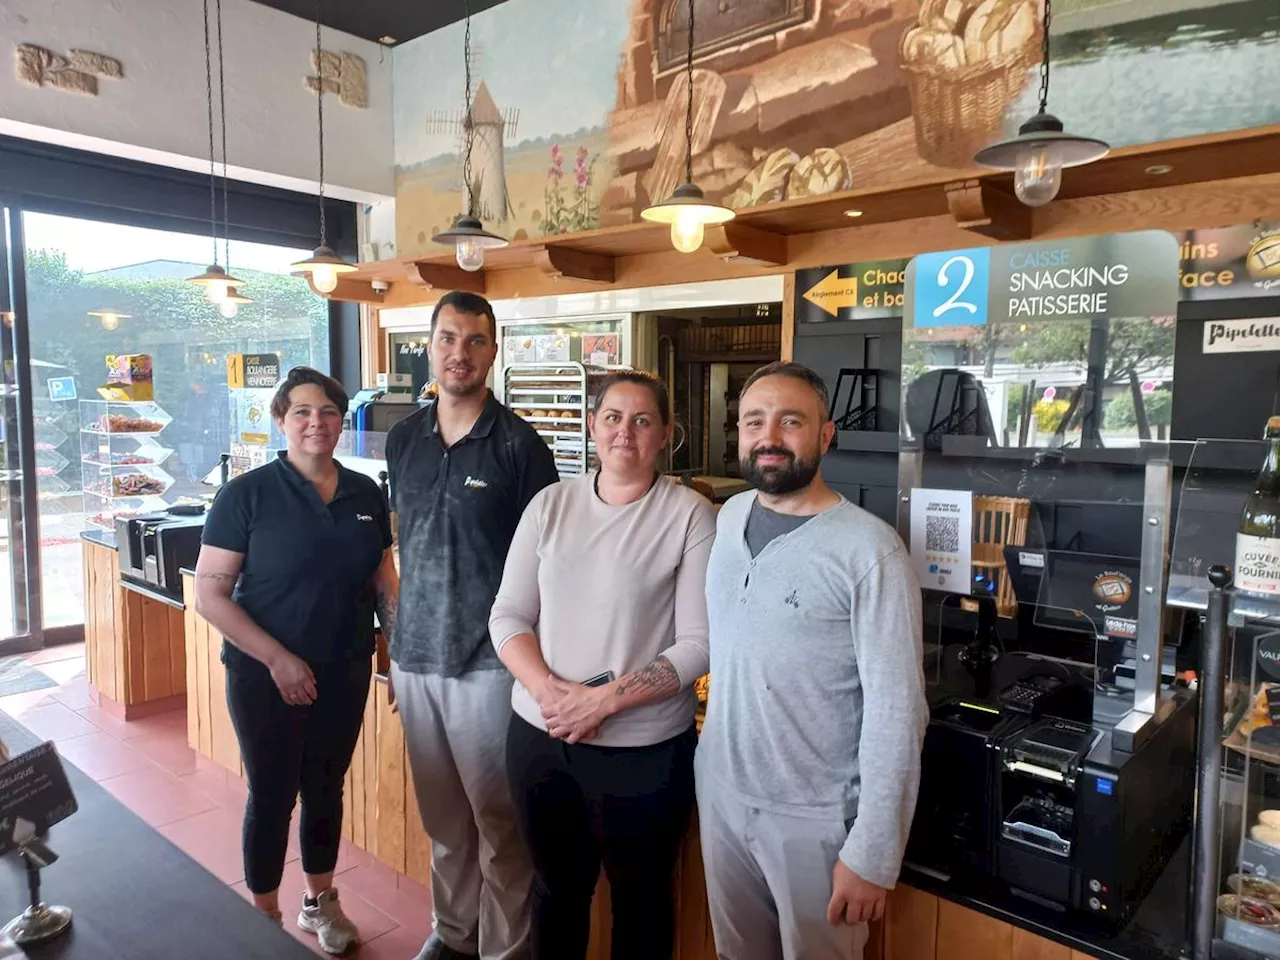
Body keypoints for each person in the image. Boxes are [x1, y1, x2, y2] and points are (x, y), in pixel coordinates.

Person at [696, 361, 928, 960]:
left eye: (790, 421)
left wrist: (874, 850)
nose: (769, 437)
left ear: (824, 436)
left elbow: (898, 710)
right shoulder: (728, 518)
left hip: (816, 820)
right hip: (722, 794)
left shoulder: (870, 550)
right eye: (755, 421)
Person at [490, 370, 716, 960]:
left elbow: (698, 643)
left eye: (643, 420)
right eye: (613, 417)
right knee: (555, 891)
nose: (626, 432)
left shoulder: (691, 515)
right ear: (592, 427)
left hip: (644, 753)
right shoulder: (549, 505)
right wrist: (548, 693)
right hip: (541, 741)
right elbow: (508, 616)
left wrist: (604, 701)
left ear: (667, 433)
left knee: (640, 903)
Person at [195, 366, 397, 955]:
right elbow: (210, 594)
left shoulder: (365, 493)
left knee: (326, 788)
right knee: (272, 794)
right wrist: (278, 659)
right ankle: (264, 918)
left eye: (329, 411)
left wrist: (400, 652)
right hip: (264, 676)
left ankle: (320, 902)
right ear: (280, 420)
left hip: (345, 668)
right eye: (302, 412)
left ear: (342, 421)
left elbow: (384, 581)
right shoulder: (246, 495)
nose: (317, 422)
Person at [385, 291, 559, 960]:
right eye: (449, 338)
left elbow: (546, 569)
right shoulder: (405, 438)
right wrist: (394, 644)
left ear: (493, 350)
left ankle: (505, 949)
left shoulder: (519, 446)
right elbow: (401, 549)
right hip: (416, 659)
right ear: (429, 345)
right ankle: (455, 933)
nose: (460, 352)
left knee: (498, 821)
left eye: (475, 340)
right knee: (444, 822)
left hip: (490, 666)